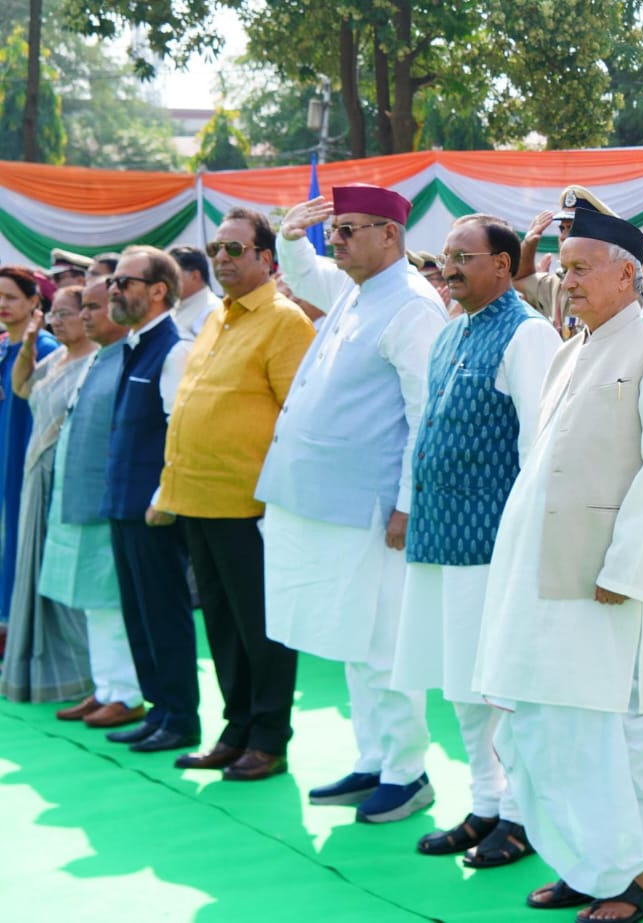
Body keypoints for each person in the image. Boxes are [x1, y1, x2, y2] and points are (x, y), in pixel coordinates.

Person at [478, 210, 643, 920]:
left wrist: (625, 571)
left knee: (621, 736)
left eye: (579, 269)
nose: (563, 280)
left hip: (613, 587)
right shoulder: (570, 350)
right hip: (548, 577)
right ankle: (590, 863)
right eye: (562, 267)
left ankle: (634, 880)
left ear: (627, 274)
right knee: (551, 729)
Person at [260, 184, 447, 822]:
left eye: (348, 230)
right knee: (351, 638)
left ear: (390, 235)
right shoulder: (360, 289)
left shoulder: (413, 305)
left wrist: (409, 506)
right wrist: (290, 237)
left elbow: (426, 416)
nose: (334, 241)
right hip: (330, 502)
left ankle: (407, 771)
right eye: (333, 231)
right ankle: (374, 759)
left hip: (374, 509)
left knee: (382, 644)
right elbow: (304, 275)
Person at [390, 214, 560, 865]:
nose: (450, 267)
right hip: (440, 539)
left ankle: (521, 815)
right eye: (447, 256)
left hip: (493, 547)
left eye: (464, 257)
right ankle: (486, 804)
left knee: (501, 687)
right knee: (459, 684)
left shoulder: (528, 333)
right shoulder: (450, 330)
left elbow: (538, 450)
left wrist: (528, 546)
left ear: (503, 264)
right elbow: (425, 427)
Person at [156, 210, 317, 781]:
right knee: (223, 626)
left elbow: (298, 419)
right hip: (199, 498)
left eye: (234, 249)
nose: (221, 258)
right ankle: (237, 729)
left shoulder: (284, 321)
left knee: (261, 628)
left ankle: (269, 738)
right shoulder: (216, 318)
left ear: (267, 259)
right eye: (215, 249)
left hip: (251, 505)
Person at [102, 246, 200, 753]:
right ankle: (158, 709)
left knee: (164, 614)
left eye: (125, 282)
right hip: (125, 505)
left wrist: (164, 497)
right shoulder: (135, 344)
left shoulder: (174, 349)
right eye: (113, 282)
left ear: (158, 290)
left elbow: (179, 433)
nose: (113, 290)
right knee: (139, 615)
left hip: (154, 509)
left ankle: (181, 718)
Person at [40, 278, 144, 728]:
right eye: (81, 307)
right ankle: (105, 689)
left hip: (107, 507)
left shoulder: (127, 359)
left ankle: (127, 694)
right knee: (93, 604)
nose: (84, 316)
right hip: (80, 502)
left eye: (94, 307)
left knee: (111, 606)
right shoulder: (98, 357)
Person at [0, 286, 95, 703]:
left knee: (65, 580)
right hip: (38, 479)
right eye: (53, 314)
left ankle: (86, 675)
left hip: (66, 484)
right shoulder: (55, 359)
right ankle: (39, 665)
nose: (57, 321)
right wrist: (27, 344)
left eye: (66, 313)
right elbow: (22, 387)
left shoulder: (95, 362)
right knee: (35, 571)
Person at [0, 267, 59, 643]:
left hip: (26, 459)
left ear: (34, 301)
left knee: (20, 540)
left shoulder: (47, 350)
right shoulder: (2, 345)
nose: (2, 304)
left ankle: (16, 630)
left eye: (10, 297)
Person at [515, 185, 616, 333]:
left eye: (571, 228)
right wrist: (529, 244)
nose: (563, 236)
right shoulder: (555, 284)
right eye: (562, 228)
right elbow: (518, 280)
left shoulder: (613, 285)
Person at [168, 244, 222, 340]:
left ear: (194, 276)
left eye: (171, 274)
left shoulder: (212, 310)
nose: (165, 280)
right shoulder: (172, 308)